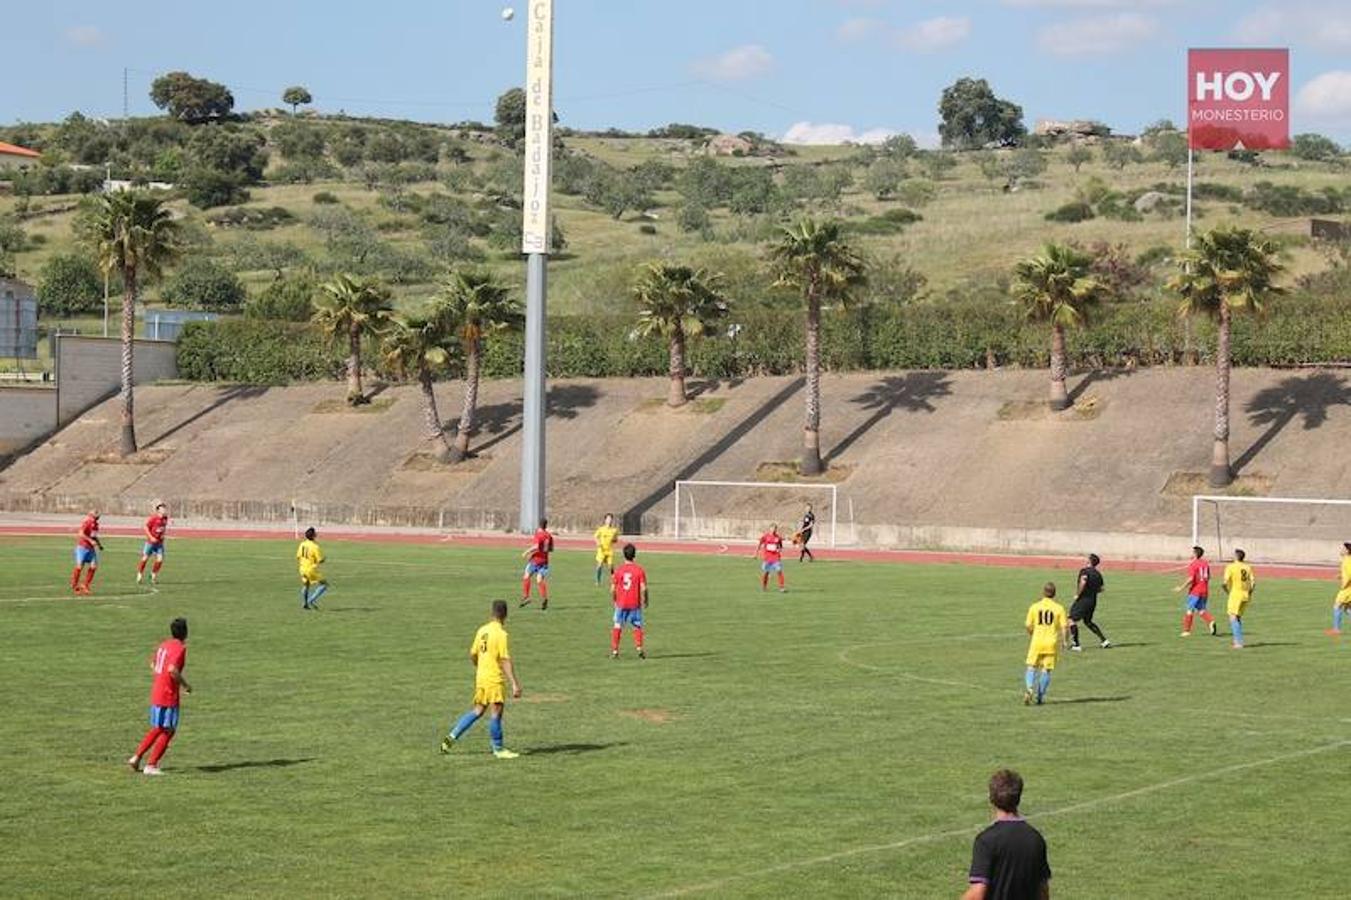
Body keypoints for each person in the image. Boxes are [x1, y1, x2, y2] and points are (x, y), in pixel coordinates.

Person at [441, 600, 523, 759]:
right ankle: (498, 749)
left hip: (481, 677)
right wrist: (514, 683)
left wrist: (480, 667)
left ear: (492, 613)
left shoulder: (482, 630)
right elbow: (504, 660)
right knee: (496, 713)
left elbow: (473, 654)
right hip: (494, 679)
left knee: (478, 710)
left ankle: (450, 738)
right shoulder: (501, 634)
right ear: (505, 615)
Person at [964, 769, 1052, 900]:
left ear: (991, 798)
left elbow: (978, 893)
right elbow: (1043, 891)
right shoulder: (1036, 839)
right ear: (1018, 797)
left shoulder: (986, 841)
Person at [128, 617, 192, 776]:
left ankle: (136, 757)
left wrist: (160, 676)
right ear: (185, 632)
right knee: (169, 729)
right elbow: (172, 669)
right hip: (168, 693)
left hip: (157, 690)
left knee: (158, 727)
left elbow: (153, 664)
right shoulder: (180, 648)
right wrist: (186, 686)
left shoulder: (164, 645)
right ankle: (151, 765)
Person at [1024, 583, 1067, 706]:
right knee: (1046, 670)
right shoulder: (1059, 608)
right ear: (1054, 593)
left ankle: (1029, 688)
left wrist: (1032, 633)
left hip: (1037, 641)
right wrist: (1064, 641)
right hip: (1051, 643)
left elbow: (1028, 625)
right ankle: (1040, 696)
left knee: (1031, 666)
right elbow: (1064, 627)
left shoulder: (1034, 607)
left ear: (1043, 592)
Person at [610, 543, 649, 659]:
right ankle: (639, 648)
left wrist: (615, 600)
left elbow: (612, 589)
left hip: (621, 603)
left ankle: (615, 651)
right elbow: (644, 588)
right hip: (635, 604)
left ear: (624, 555)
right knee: (637, 626)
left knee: (617, 626)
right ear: (634, 555)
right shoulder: (639, 570)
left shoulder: (619, 570)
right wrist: (646, 599)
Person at [1068, 553, 1110, 651]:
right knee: (1088, 621)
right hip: (1092, 601)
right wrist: (1092, 591)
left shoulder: (1085, 571)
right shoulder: (1098, 574)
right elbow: (1101, 589)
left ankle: (1076, 645)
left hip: (1083, 600)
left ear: (1089, 561)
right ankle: (1104, 641)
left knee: (1071, 620)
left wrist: (1078, 594)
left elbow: (1083, 581)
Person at [1175, 545, 1217, 637]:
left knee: (1189, 610)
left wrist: (1181, 588)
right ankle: (1211, 621)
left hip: (1195, 591)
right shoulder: (1205, 563)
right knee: (1201, 609)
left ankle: (1186, 631)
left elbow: (1191, 578)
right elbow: (1208, 577)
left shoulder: (1193, 564)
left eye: (1193, 552)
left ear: (1195, 554)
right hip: (1205, 590)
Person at [1221, 549, 1255, 650]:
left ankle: (1239, 643)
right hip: (1245, 594)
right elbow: (1253, 583)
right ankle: (1237, 641)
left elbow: (1224, 583)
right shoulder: (1248, 567)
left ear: (1236, 556)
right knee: (1238, 617)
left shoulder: (1230, 567)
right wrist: (1249, 593)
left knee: (1232, 617)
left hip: (1235, 594)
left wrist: (1228, 592)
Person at [520, 517, 554, 609]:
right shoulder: (549, 536)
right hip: (544, 561)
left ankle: (526, 597)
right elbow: (551, 549)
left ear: (539, 525)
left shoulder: (538, 534)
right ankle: (544, 598)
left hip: (535, 561)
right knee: (539, 580)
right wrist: (543, 550)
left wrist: (527, 552)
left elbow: (536, 546)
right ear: (546, 525)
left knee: (526, 576)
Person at [137, 501, 170, 586]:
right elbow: (145, 527)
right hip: (150, 543)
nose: (164, 510)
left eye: (164, 508)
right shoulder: (153, 518)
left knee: (160, 560)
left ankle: (153, 575)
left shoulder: (165, 518)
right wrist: (151, 537)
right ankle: (140, 574)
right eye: (162, 508)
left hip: (159, 543)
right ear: (158, 510)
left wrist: (163, 535)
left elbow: (162, 528)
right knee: (145, 558)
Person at [71, 509, 103, 594]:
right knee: (79, 567)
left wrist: (99, 544)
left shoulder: (96, 525)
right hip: (82, 547)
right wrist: (90, 540)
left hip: (91, 549)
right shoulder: (87, 522)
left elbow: (94, 536)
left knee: (94, 566)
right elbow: (81, 533)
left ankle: (86, 585)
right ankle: (74, 585)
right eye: (96, 514)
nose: (98, 516)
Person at [296, 527, 328, 610]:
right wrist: (324, 559)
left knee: (306, 585)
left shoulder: (302, 544)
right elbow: (320, 560)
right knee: (324, 584)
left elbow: (298, 557)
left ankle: (305, 604)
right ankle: (310, 600)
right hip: (311, 569)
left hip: (302, 568)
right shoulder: (315, 546)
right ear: (313, 535)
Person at [1326, 542, 1351, 636]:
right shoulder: (1347, 559)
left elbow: (1349, 575)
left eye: (1343, 548)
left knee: (1337, 606)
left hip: (1347, 589)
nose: (1342, 550)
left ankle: (1336, 630)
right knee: (1348, 609)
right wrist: (1341, 576)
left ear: (1348, 550)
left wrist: (1344, 585)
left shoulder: (1347, 560)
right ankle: (1336, 629)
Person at [757, 524, 787, 593]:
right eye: (772, 528)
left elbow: (780, 547)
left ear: (776, 529)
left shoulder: (778, 538)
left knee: (779, 571)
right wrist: (756, 553)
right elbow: (760, 544)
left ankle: (782, 587)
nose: (773, 530)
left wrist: (779, 550)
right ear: (769, 529)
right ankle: (764, 586)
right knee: (766, 573)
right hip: (767, 558)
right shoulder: (765, 536)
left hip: (776, 557)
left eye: (775, 529)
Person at [594, 513, 620, 587]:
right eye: (608, 519)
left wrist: (614, 540)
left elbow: (615, 540)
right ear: (605, 520)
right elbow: (596, 536)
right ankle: (598, 581)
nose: (609, 520)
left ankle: (614, 580)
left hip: (609, 550)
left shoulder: (614, 530)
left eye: (611, 519)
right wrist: (598, 543)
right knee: (599, 565)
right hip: (601, 550)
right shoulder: (601, 529)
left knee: (610, 566)